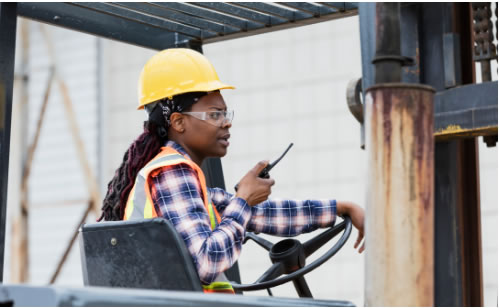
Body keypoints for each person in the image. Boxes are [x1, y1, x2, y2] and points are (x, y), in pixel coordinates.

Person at [98, 48, 365, 294]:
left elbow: (264, 216)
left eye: (226, 113)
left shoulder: (189, 182)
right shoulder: (172, 173)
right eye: (215, 114)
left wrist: (342, 208)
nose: (227, 123)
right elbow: (207, 262)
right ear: (178, 122)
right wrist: (244, 199)